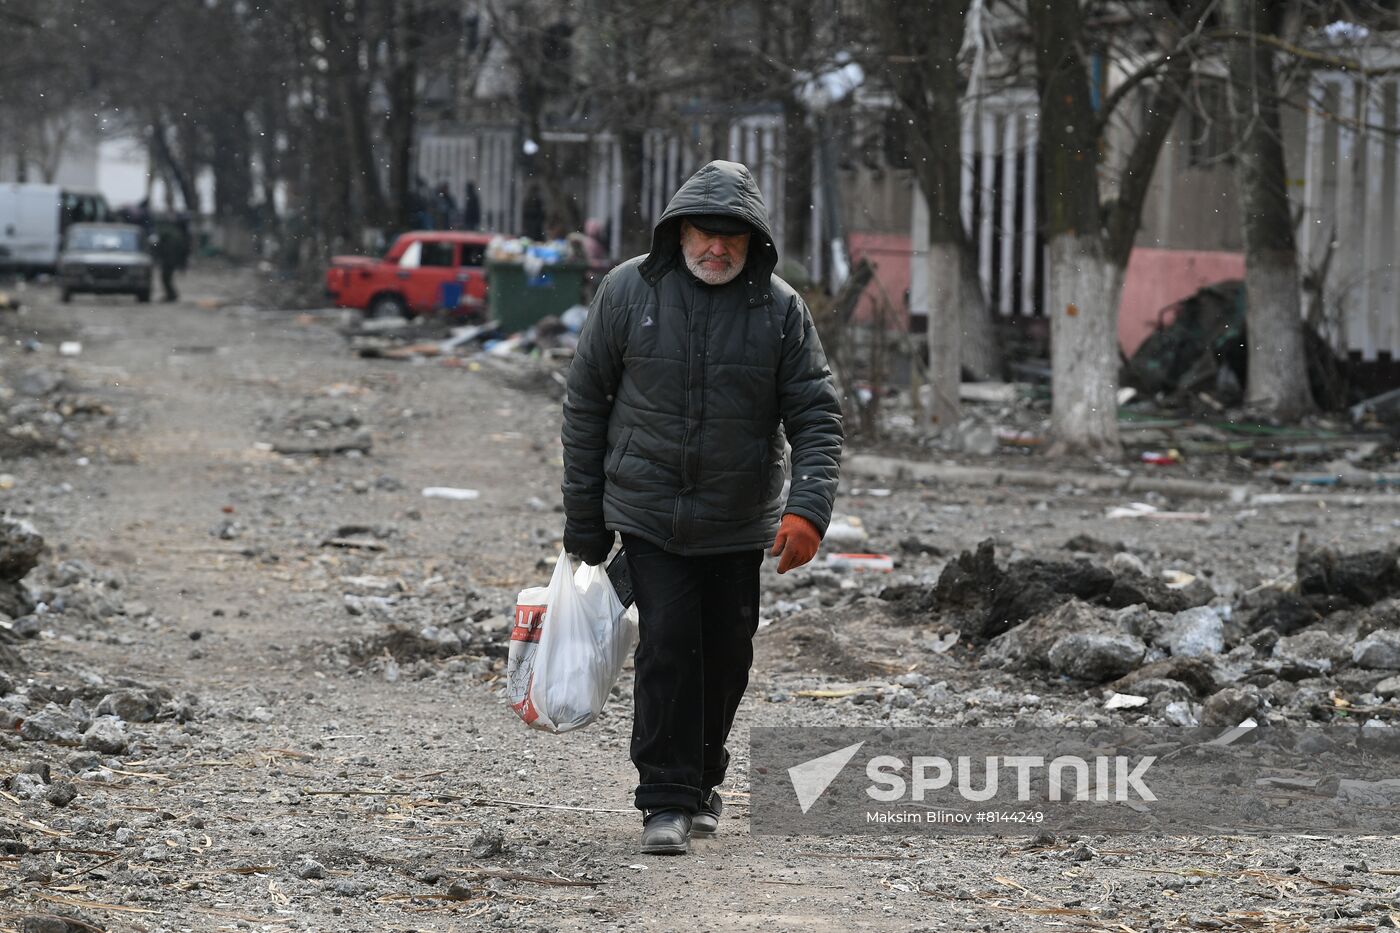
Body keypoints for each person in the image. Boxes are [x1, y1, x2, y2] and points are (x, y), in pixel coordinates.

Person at [560, 160, 843, 855]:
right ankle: (664, 795)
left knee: (726, 655)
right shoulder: (629, 291)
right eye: (703, 234)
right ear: (678, 230)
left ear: (753, 241)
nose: (715, 249)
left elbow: (816, 412)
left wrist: (807, 509)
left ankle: (703, 777)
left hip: (737, 517)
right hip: (649, 511)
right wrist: (584, 520)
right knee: (669, 645)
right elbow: (585, 403)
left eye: (731, 239)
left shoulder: (779, 310)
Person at [152, 217, 187, 302]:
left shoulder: (168, 233)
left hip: (169, 260)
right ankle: (171, 294)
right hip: (170, 260)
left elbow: (162, 247)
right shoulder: (175, 233)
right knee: (166, 278)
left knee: (166, 278)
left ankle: (171, 295)